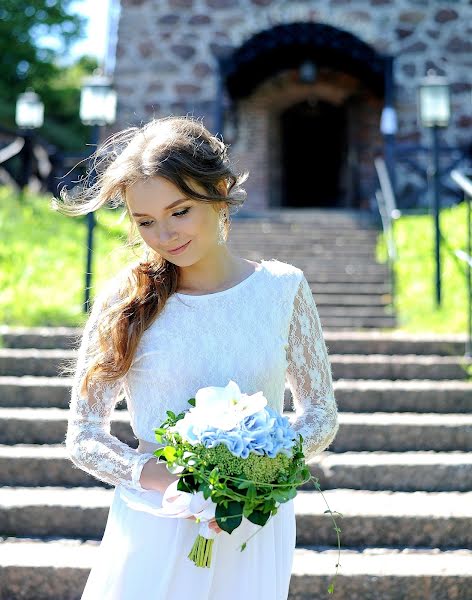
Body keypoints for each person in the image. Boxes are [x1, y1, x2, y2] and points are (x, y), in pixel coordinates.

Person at [53, 115, 339, 600]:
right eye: (145, 221)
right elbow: (83, 436)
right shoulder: (124, 300)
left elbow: (320, 415)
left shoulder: (282, 288)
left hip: (252, 520)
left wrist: (252, 473)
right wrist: (167, 478)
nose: (164, 234)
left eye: (179, 211)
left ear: (219, 190)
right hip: (155, 517)